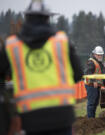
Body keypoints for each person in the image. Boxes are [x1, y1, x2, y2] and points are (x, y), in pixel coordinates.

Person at [0, 0, 83, 135]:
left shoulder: (12, 45)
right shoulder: (61, 41)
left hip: (30, 120)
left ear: (27, 18)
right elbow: (78, 74)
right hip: (62, 116)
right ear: (47, 18)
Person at [84, 46, 105, 118]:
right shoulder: (91, 62)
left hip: (97, 85)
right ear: (94, 54)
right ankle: (90, 119)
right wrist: (93, 81)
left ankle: (92, 117)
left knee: (95, 102)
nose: (100, 56)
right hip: (91, 85)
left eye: (101, 55)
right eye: (98, 55)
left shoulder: (99, 62)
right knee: (91, 103)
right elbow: (88, 73)